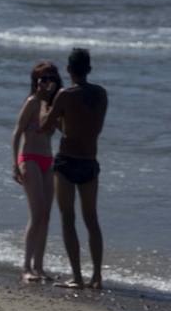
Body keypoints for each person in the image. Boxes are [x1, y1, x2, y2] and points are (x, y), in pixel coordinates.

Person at [40, 47, 108, 289]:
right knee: (92, 220)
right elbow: (91, 128)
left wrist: (46, 99)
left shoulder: (65, 95)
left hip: (67, 161)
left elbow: (45, 125)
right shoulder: (101, 94)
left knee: (68, 219)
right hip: (90, 161)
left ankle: (77, 277)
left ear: (69, 70)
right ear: (89, 69)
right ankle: (97, 276)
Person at [12, 61, 62, 283]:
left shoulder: (54, 105)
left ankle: (39, 267)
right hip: (29, 158)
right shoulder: (32, 102)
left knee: (47, 215)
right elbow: (17, 133)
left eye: (51, 78)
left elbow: (64, 129)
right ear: (36, 81)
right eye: (43, 79)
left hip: (47, 160)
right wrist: (15, 164)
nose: (47, 83)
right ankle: (26, 267)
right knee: (37, 213)